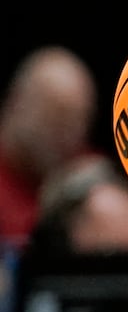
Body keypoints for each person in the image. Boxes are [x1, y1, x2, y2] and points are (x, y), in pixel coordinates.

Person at [0, 46, 98, 250]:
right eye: (57, 120)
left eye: (79, 122)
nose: (70, 137)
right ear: (18, 103)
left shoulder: (90, 174)